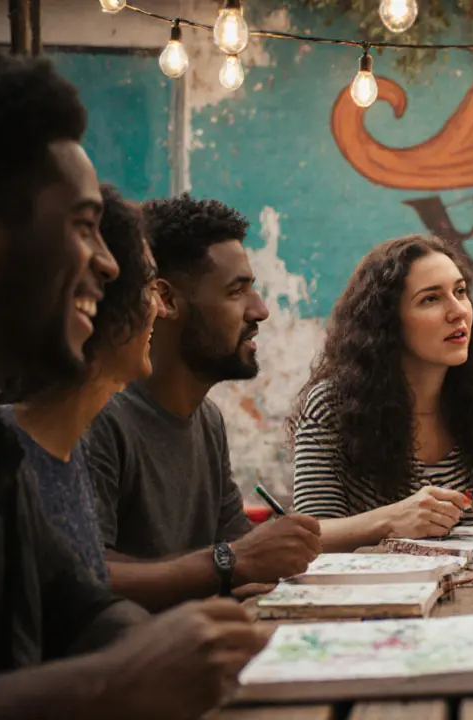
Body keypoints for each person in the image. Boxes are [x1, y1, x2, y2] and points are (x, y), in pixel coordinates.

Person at [0, 51, 265, 719]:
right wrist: (114, 683)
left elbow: (84, 608)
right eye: (84, 228)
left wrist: (214, 652)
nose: (108, 266)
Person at [84, 192, 320, 610]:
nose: (261, 310)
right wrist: (230, 563)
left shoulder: (206, 419)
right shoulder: (100, 418)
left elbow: (236, 544)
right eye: (236, 292)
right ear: (166, 300)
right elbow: (84, 574)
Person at [290, 235, 473, 552]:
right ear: (387, 323)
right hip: (376, 596)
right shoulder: (332, 407)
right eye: (430, 299)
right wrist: (390, 520)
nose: (458, 311)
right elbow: (311, 535)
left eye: (460, 292)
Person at [0, 184, 162, 587]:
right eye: (149, 286)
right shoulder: (5, 457)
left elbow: (82, 613)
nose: (157, 308)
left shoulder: (68, 450)